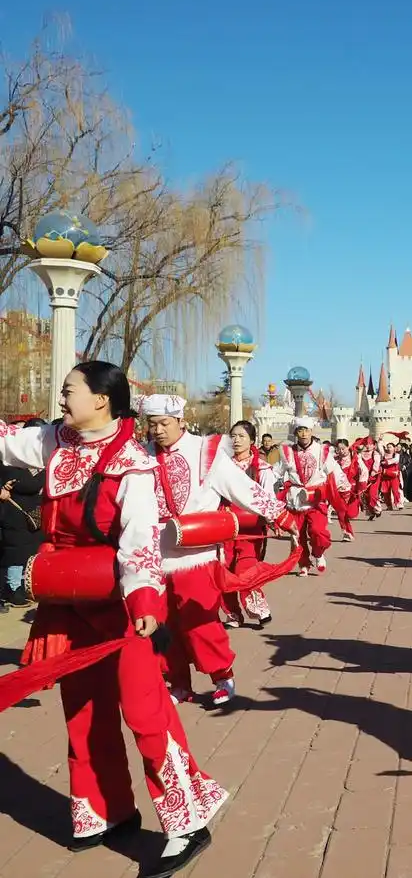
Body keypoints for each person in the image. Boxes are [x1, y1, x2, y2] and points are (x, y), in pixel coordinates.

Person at [0, 362, 223, 874]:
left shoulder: (133, 463)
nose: (62, 399)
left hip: (124, 604)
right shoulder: (54, 441)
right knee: (82, 708)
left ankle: (187, 821)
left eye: (69, 391)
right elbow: (7, 442)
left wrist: (145, 604)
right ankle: (105, 809)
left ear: (101, 399)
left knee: (145, 712)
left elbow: (140, 541)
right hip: (69, 598)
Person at [143, 396, 294, 706]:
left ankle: (222, 676)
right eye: (152, 424)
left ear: (181, 421)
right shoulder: (142, 455)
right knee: (161, 623)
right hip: (154, 556)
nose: (157, 431)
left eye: (164, 424)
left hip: (196, 555)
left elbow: (243, 487)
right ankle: (178, 683)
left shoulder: (207, 452)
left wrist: (281, 515)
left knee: (199, 621)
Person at [272, 418, 346, 575]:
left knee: (318, 532)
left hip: (316, 500)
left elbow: (335, 471)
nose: (304, 434)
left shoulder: (322, 451)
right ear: (296, 433)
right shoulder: (287, 452)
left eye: (307, 430)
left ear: (312, 431)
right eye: (300, 430)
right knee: (297, 535)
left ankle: (318, 553)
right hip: (296, 500)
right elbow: (275, 472)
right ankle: (303, 564)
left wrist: (343, 486)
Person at [221, 420, 277, 627]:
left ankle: (259, 608)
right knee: (223, 570)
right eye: (233, 436)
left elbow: (269, 499)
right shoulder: (221, 467)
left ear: (252, 440)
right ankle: (232, 614)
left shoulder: (262, 468)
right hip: (224, 527)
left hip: (251, 529)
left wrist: (275, 521)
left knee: (245, 569)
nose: (236, 440)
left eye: (241, 436)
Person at [0, 417, 45, 610]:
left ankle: (21, 585)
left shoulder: (38, 460)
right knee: (15, 553)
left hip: (31, 513)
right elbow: (27, 484)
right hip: (14, 512)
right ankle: (12, 588)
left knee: (27, 552)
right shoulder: (9, 459)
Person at [332, 439, 368, 541]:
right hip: (339, 489)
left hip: (353, 489)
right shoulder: (334, 460)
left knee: (351, 513)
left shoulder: (355, 458)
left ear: (348, 447)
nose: (341, 451)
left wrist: (361, 486)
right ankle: (347, 533)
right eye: (339, 449)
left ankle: (359, 505)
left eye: (343, 449)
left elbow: (364, 471)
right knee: (341, 512)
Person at [378, 442, 404, 511]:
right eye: (387, 447)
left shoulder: (396, 455)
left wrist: (386, 462)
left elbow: (395, 460)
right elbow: (380, 448)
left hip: (394, 475)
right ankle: (389, 506)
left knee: (395, 490)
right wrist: (380, 441)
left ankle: (399, 504)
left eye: (390, 447)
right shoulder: (384, 454)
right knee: (385, 492)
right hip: (385, 475)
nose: (388, 448)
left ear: (394, 448)